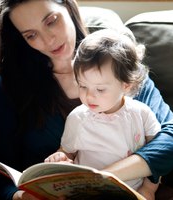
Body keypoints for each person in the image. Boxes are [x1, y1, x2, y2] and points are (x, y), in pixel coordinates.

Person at [0, 0, 173, 199]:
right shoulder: (12, 86)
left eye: (51, 21)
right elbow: (0, 172)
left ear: (68, 8)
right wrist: (21, 196)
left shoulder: (120, 64)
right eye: (31, 35)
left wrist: (103, 178)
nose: (49, 40)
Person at [44, 28, 161, 199]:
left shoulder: (142, 114)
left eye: (100, 89)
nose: (89, 96)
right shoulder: (78, 118)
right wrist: (61, 156)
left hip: (132, 192)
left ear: (126, 85)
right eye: (83, 86)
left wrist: (149, 190)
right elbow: (68, 152)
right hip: (88, 193)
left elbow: (156, 157)